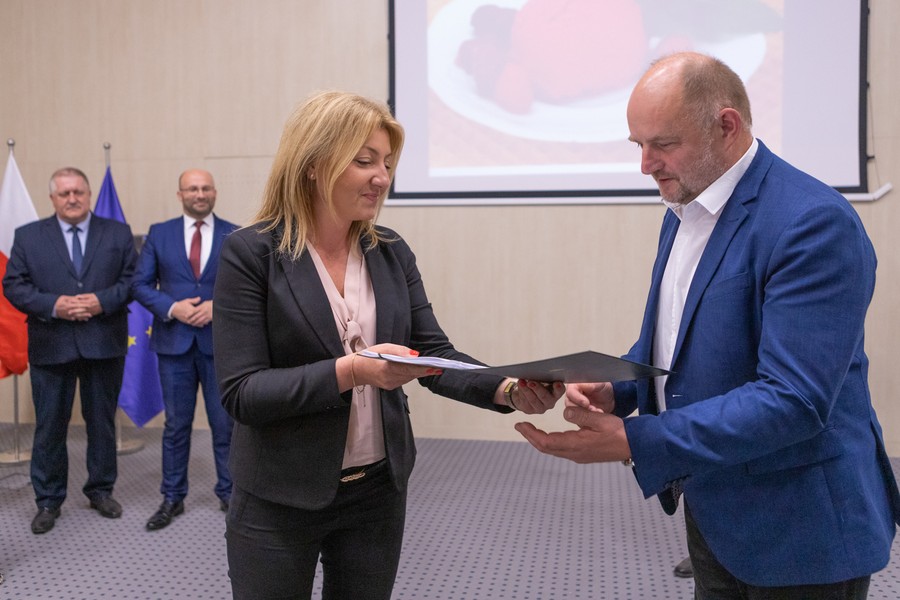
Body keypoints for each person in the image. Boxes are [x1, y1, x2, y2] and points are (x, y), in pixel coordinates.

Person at [516, 52, 900, 599]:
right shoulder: (687, 206)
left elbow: (794, 399)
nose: (645, 165)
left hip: (802, 528)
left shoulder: (813, 222)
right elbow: (684, 338)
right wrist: (620, 388)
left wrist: (636, 439)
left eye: (663, 144)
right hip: (718, 506)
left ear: (726, 126)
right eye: (637, 145)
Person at [213, 90, 561, 600]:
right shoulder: (251, 253)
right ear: (313, 164)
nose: (382, 177)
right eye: (365, 161)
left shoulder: (390, 251)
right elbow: (243, 393)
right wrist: (353, 371)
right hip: (280, 493)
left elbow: (433, 353)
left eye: (388, 163)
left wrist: (507, 388)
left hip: (378, 489)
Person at [3, 167, 136, 534]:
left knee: (102, 423)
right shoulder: (28, 236)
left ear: (89, 194)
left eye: (78, 191)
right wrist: (54, 305)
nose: (72, 198)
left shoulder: (118, 233)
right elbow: (13, 285)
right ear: (53, 199)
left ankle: (100, 490)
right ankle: (48, 500)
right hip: (51, 343)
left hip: (103, 342)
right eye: (64, 193)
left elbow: (133, 280)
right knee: (49, 427)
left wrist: (101, 301)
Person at [131, 169, 239, 531]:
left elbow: (247, 286)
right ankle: (172, 497)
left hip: (219, 345)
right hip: (173, 344)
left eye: (206, 187)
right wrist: (173, 307)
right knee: (176, 426)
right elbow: (140, 284)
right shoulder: (159, 233)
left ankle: (230, 494)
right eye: (192, 188)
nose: (199, 194)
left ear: (215, 192)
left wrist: (217, 307)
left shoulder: (234, 234)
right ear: (180, 194)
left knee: (225, 426)